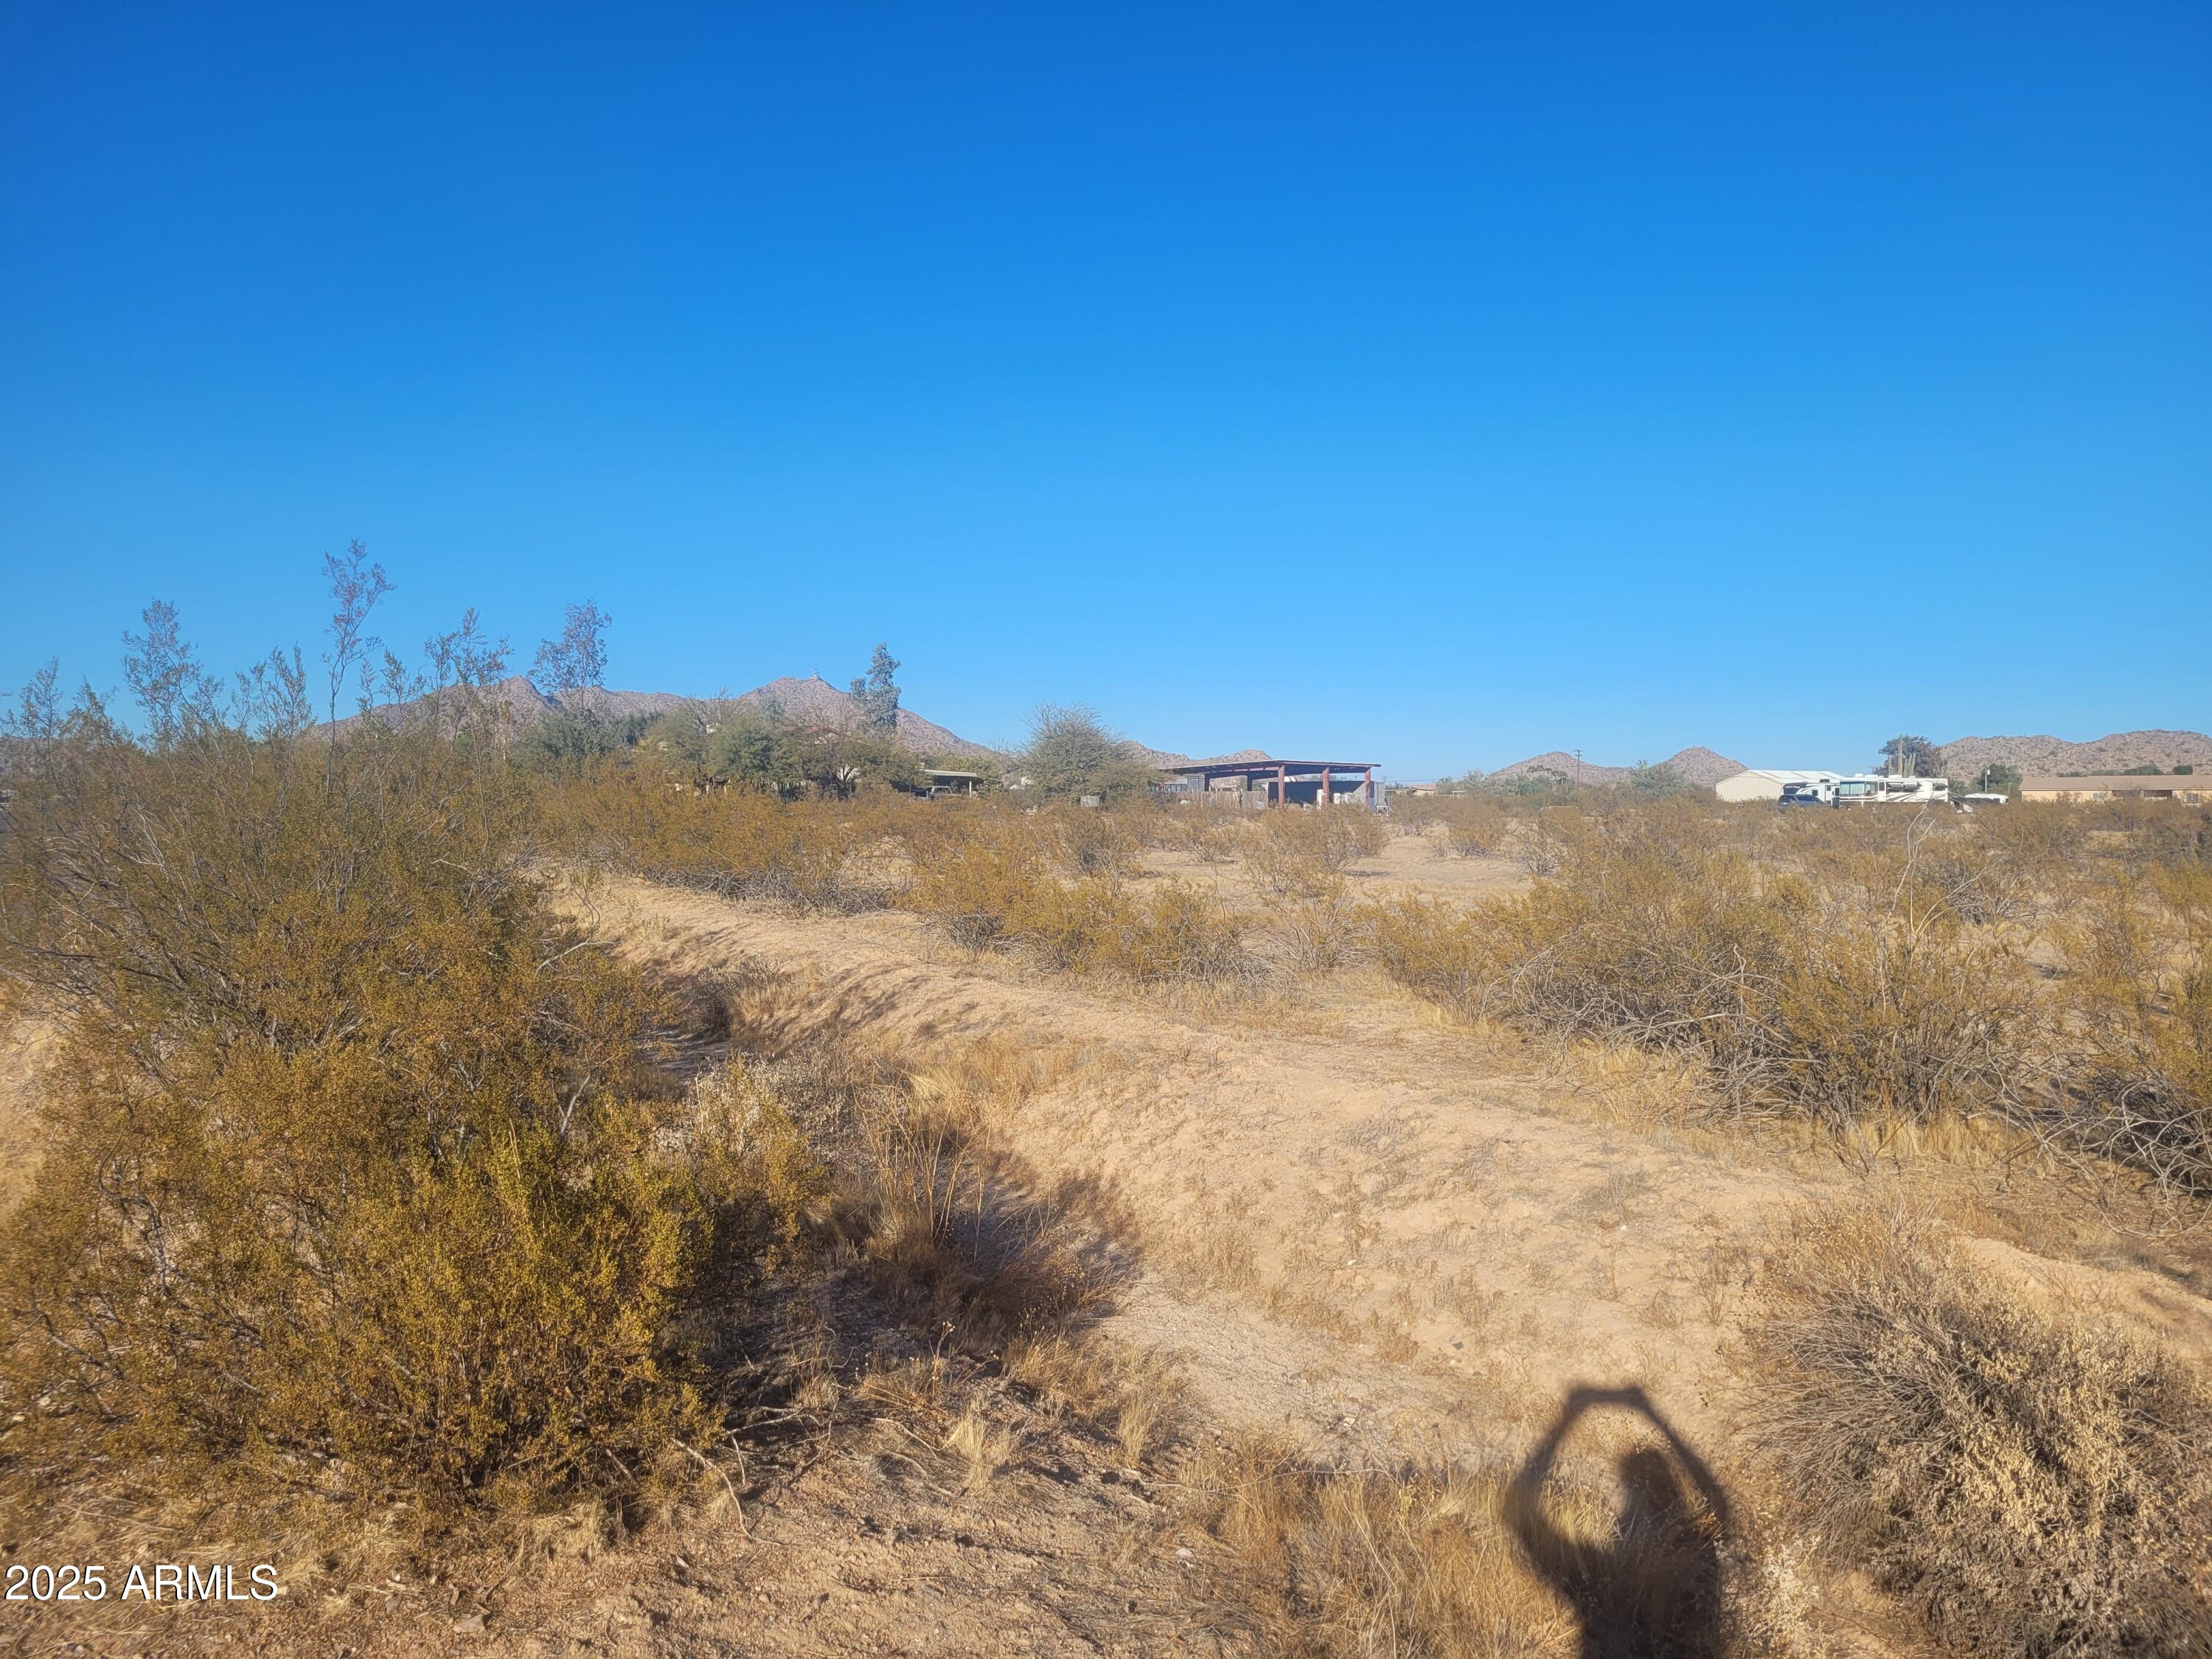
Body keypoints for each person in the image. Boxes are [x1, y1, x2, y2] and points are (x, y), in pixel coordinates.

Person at [1505, 1385, 1730, 1659]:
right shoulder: (1697, 1573)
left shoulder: (1592, 1580)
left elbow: (1517, 1514)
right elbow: (1719, 1510)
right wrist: (1656, 1417)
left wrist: (1569, 1416)